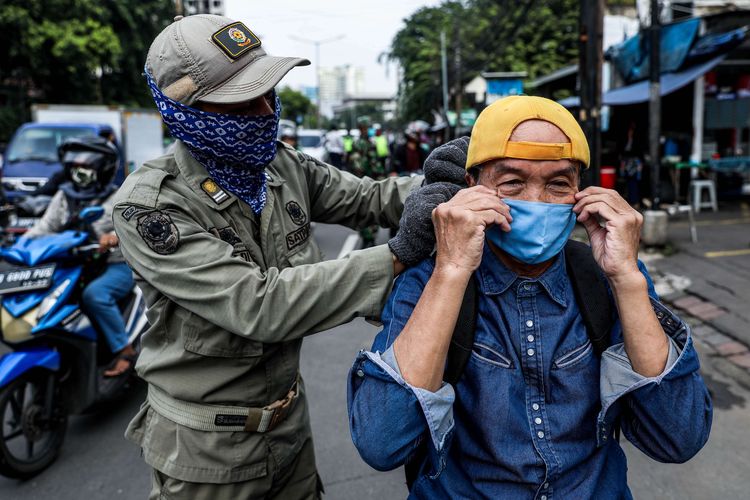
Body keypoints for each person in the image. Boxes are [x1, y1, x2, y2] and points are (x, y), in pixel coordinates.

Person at [111, 14, 452, 499]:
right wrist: (395, 255)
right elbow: (257, 304)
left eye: (267, 93)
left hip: (289, 426)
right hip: (207, 454)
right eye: (240, 101)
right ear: (185, 109)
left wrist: (453, 179)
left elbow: (369, 197)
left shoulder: (278, 163)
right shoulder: (150, 204)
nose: (264, 111)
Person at [347, 96, 712, 498]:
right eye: (512, 183)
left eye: (558, 184)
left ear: (580, 193)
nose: (536, 201)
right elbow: (382, 442)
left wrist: (626, 277)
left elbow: (678, 438)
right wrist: (450, 273)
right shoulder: (428, 281)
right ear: (473, 187)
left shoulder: (609, 277)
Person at [25, 136, 136, 377]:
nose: (80, 172)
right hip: (72, 265)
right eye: (75, 167)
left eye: (86, 167)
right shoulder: (64, 196)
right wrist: (22, 245)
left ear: (102, 169)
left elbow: (126, 229)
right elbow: (44, 228)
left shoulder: (118, 196)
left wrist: (112, 237)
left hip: (115, 264)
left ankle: (124, 350)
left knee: (95, 295)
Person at [347, 116, 385, 248]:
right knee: (368, 209)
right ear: (362, 128)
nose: (368, 130)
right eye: (367, 127)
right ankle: (368, 237)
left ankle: (369, 237)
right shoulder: (360, 144)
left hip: (367, 182)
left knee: (369, 209)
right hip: (366, 182)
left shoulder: (367, 143)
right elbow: (359, 165)